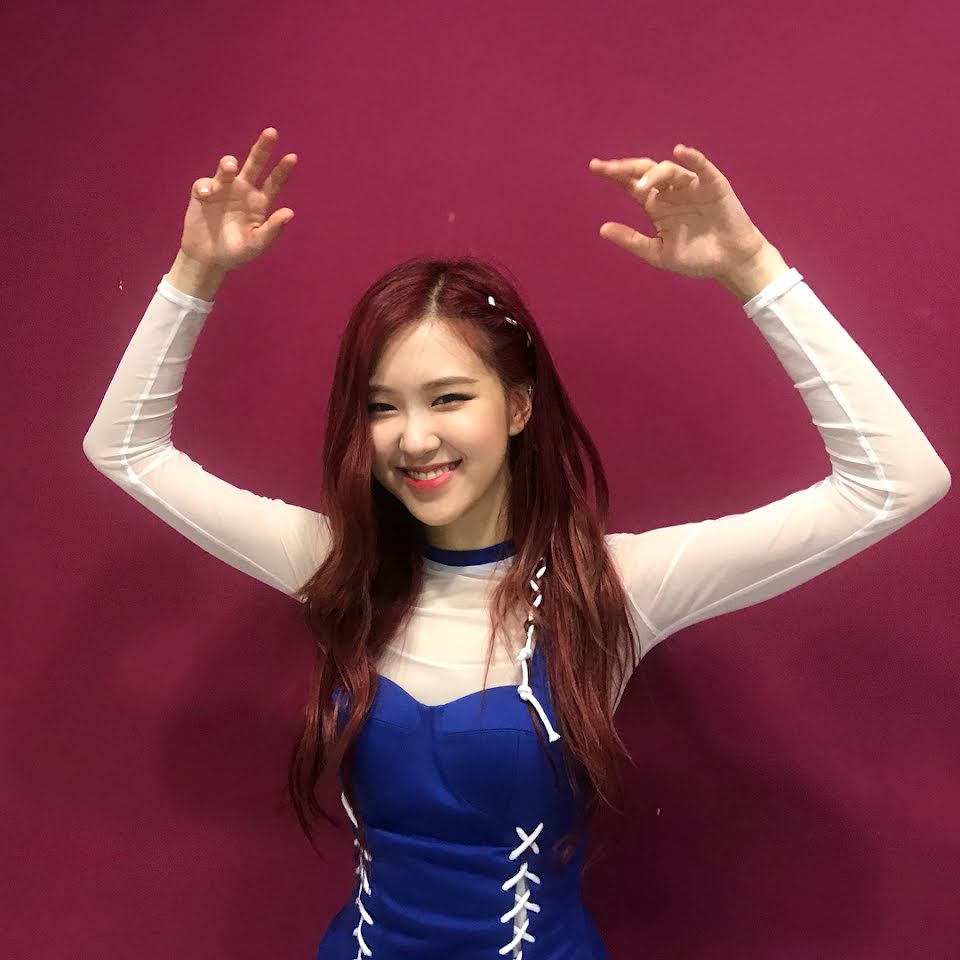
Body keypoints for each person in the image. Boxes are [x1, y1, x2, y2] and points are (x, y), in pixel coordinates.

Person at [82, 127, 951, 960]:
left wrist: (751, 269)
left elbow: (895, 482)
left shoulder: (613, 588)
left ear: (519, 407)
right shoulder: (339, 567)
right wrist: (195, 273)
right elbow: (125, 450)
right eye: (382, 407)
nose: (413, 438)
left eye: (449, 397)